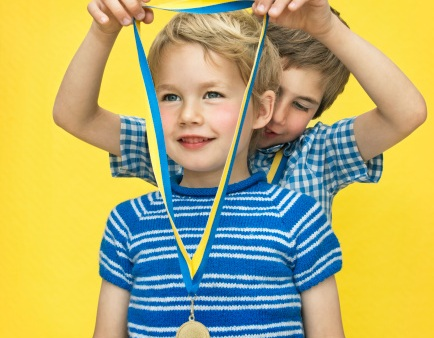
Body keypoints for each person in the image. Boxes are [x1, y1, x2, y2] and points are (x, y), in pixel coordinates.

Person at [80, 9, 351, 338]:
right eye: (170, 97)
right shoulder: (128, 222)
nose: (188, 114)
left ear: (261, 109)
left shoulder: (299, 218)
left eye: (212, 94)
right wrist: (105, 30)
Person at [53, 0, 427, 224]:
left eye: (301, 105)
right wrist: (103, 30)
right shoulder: (184, 140)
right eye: (272, 92)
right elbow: (75, 116)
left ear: (317, 113)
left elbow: (406, 112)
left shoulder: (318, 155)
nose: (276, 115)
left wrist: (328, 28)